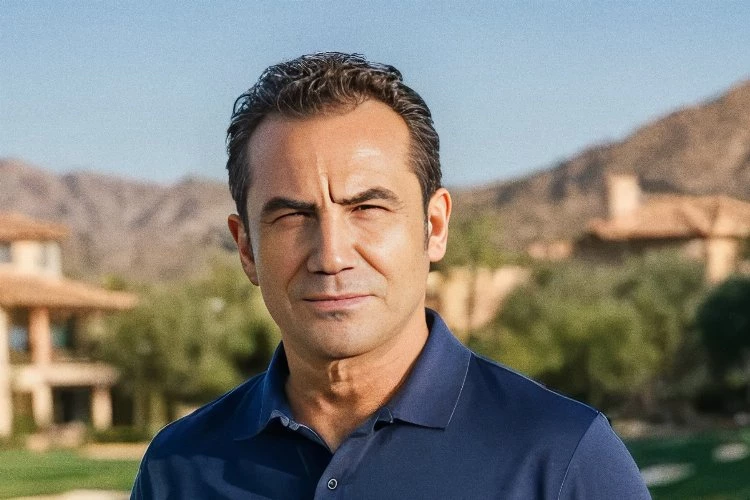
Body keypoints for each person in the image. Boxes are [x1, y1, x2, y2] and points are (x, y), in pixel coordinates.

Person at [131, 52, 650, 499]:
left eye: (368, 208)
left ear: (434, 226)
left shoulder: (562, 458)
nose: (331, 256)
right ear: (246, 247)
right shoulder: (176, 468)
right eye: (292, 216)